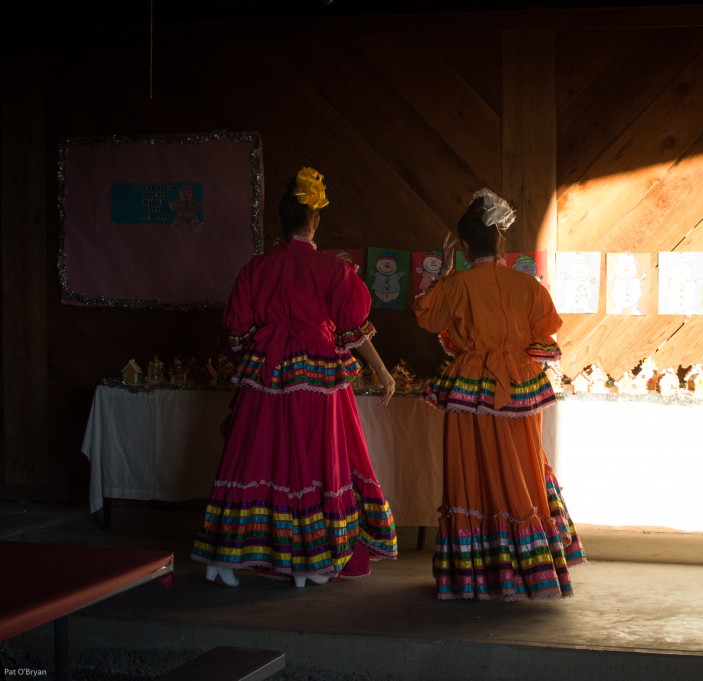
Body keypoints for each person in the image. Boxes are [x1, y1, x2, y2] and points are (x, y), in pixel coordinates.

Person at [192, 166, 398, 588]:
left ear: (282, 223)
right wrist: (381, 370)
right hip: (318, 376)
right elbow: (353, 330)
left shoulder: (256, 269)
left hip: (268, 371)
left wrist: (259, 351)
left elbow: (236, 330)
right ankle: (309, 558)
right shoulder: (332, 271)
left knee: (255, 457)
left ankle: (225, 554)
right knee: (315, 462)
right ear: (315, 220)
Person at [413, 188, 586, 601]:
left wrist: (443, 273)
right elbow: (546, 331)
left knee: (469, 467)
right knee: (523, 464)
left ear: (467, 244)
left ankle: (476, 575)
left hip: (471, 385)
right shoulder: (526, 285)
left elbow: (427, 316)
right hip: (519, 383)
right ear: (500, 240)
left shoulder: (458, 284)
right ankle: (529, 570)